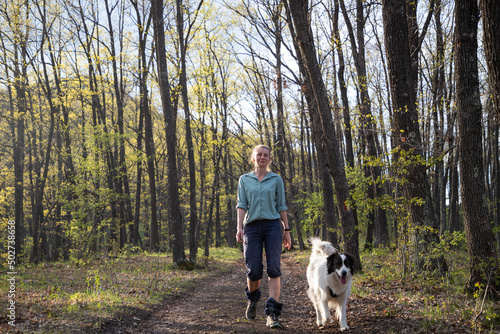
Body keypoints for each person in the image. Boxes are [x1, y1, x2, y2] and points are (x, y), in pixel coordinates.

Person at [236, 144, 292, 329]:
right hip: (251, 227)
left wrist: (287, 230)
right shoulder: (244, 179)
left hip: (273, 226)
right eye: (259, 154)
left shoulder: (276, 179)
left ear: (269, 159)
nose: (262, 157)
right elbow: (241, 204)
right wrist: (239, 227)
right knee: (254, 269)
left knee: (274, 268)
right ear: (253, 158)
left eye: (265, 155)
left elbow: (281, 205)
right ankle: (252, 300)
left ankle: (272, 313)